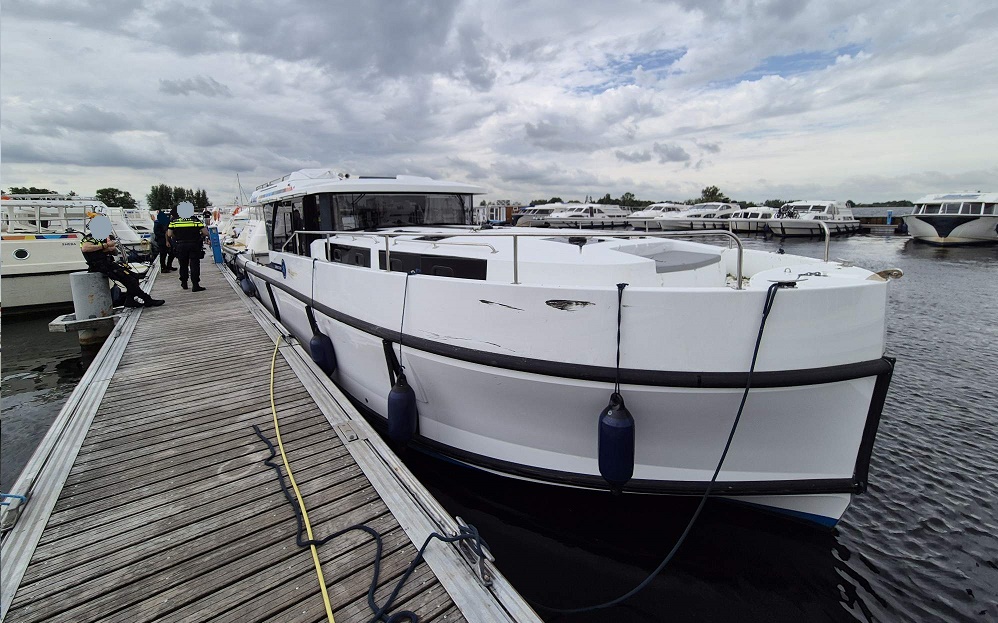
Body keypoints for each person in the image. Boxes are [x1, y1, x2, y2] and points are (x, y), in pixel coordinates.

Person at [80, 220, 165, 308]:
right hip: (99, 265)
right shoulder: (90, 238)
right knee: (129, 280)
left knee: (134, 277)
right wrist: (105, 246)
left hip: (108, 263)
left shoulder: (102, 238)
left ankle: (130, 300)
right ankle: (147, 299)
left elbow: (115, 253)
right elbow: (85, 248)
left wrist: (111, 248)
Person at [167, 202, 209, 292]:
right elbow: (205, 232)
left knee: (183, 264)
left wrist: (177, 237)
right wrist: (200, 236)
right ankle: (195, 285)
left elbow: (170, 234)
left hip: (181, 245)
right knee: (194, 265)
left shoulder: (175, 221)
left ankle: (184, 283)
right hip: (194, 244)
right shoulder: (195, 220)